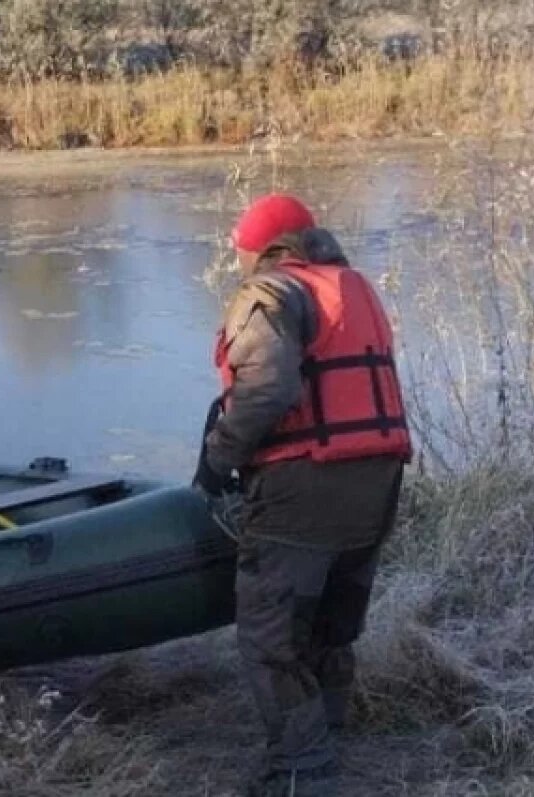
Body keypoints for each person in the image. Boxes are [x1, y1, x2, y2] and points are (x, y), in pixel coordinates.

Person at [193, 195, 411, 797]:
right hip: (379, 477)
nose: (239, 263)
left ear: (263, 248)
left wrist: (217, 461)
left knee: (271, 636)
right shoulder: (354, 286)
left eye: (242, 252)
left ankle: (301, 774)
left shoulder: (268, 293)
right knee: (330, 626)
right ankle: (330, 736)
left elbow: (266, 390)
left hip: (305, 485)